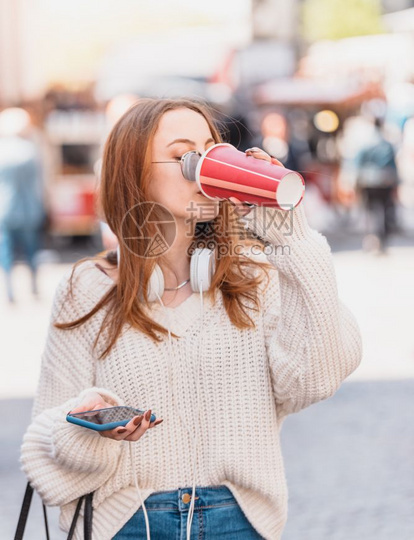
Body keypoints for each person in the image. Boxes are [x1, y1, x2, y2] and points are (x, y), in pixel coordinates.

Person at [20, 99, 362, 540]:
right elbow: (45, 439)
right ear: (135, 173)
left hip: (238, 521)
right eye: (185, 156)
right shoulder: (87, 288)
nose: (202, 167)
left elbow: (313, 381)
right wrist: (86, 424)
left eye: (211, 150)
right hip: (127, 521)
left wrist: (291, 237)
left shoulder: (254, 277)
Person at [0, 108, 46, 302]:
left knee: (6, 250)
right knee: (31, 249)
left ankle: (10, 290)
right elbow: (38, 183)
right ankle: (33, 287)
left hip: (4, 207)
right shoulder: (29, 150)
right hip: (28, 208)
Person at [354, 116, 399, 252]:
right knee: (385, 210)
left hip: (367, 181)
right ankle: (382, 238)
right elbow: (393, 166)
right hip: (385, 181)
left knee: (370, 211)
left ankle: (371, 237)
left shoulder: (366, 143)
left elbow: (358, 163)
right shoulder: (387, 144)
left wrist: (356, 182)